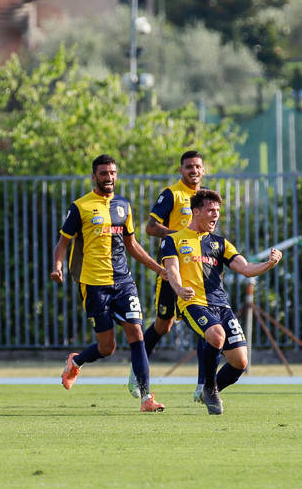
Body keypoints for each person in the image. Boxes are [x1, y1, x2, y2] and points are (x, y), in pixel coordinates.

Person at [50, 154, 167, 412]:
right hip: (94, 284)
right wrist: (58, 267)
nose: (109, 177)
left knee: (136, 333)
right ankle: (76, 362)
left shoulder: (124, 205)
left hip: (123, 282)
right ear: (94, 176)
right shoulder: (80, 206)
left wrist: (160, 269)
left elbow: (132, 245)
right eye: (103, 173)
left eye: (112, 172)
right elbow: (63, 243)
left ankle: (147, 398)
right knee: (107, 347)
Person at [159, 188, 282, 415]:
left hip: (221, 306)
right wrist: (179, 289)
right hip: (192, 303)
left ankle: (211, 389)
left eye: (218, 210)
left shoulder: (221, 243)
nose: (216, 215)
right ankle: (208, 388)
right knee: (216, 335)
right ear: (196, 212)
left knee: (240, 362)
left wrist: (268, 264)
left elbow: (245, 268)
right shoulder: (173, 240)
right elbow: (172, 270)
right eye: (210, 210)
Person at [132, 150, 207, 401]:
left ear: (203, 170)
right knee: (164, 325)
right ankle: (137, 371)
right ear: (181, 170)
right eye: (188, 167)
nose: (193, 171)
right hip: (171, 271)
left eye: (197, 166)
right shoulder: (172, 194)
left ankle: (203, 386)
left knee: (203, 326)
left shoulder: (205, 198)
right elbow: (151, 227)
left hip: (197, 272)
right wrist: (179, 235)